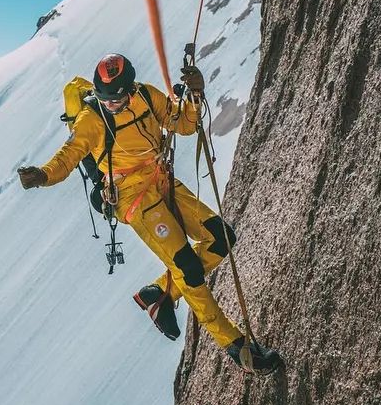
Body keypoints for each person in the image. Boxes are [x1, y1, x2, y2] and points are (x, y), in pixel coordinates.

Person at [17, 53, 282, 374]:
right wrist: (43, 175)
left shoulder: (145, 95)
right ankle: (237, 347)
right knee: (188, 267)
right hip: (134, 198)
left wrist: (195, 96)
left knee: (222, 237)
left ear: (129, 88)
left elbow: (183, 124)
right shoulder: (92, 118)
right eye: (104, 98)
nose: (110, 104)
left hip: (162, 180)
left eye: (116, 98)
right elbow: (69, 156)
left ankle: (160, 293)